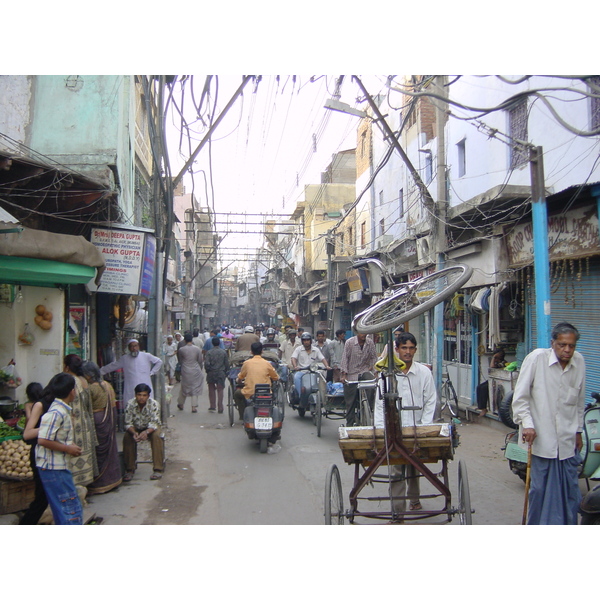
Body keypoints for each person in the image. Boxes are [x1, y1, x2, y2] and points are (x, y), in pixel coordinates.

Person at [512, 322, 585, 525]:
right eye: (562, 345)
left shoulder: (579, 362)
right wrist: (527, 424)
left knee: (570, 491)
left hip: (567, 441)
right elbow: (520, 397)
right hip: (540, 440)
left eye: (571, 345)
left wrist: (578, 430)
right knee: (539, 490)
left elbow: (579, 400)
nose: (567, 350)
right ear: (553, 343)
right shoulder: (536, 359)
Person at [374, 332, 437, 519]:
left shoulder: (424, 372)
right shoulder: (386, 375)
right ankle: (397, 510)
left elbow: (430, 400)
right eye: (404, 348)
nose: (407, 352)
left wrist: (426, 427)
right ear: (397, 350)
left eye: (411, 348)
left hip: (417, 427)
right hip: (394, 429)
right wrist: (380, 429)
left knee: (414, 465)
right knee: (396, 469)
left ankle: (414, 499)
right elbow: (379, 404)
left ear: (415, 350)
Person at [35, 372, 84, 525]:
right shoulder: (56, 412)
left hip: (57, 465)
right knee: (70, 509)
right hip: (54, 467)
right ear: (72, 391)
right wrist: (67, 449)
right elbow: (43, 439)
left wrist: (68, 447)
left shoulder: (61, 410)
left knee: (63, 508)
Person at [81, 361, 122, 495]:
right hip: (108, 419)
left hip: (97, 420)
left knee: (98, 452)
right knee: (110, 449)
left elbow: (85, 406)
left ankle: (100, 482)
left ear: (88, 375)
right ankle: (113, 479)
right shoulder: (107, 385)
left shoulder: (91, 389)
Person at [63, 354, 98, 487]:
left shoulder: (69, 381)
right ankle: (85, 485)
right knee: (84, 453)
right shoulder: (83, 380)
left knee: (75, 454)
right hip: (85, 422)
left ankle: (76, 486)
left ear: (66, 367)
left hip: (74, 424)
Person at [100, 339, 163, 409]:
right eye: (132, 346)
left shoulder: (146, 356)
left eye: (135, 346)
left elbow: (159, 362)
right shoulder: (125, 358)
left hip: (145, 385)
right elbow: (112, 366)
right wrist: (100, 371)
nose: (134, 348)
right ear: (129, 348)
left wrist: (152, 372)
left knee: (147, 407)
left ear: (138, 346)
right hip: (130, 388)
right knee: (131, 407)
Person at [20, 382, 49, 525]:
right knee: (42, 495)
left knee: (41, 495)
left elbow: (27, 428)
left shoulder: (34, 406)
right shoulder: (46, 406)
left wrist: (28, 409)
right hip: (42, 448)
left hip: (37, 447)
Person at [123, 383, 164, 481]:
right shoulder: (130, 404)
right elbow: (128, 422)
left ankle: (158, 469)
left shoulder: (154, 404)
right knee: (127, 437)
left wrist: (146, 432)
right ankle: (130, 469)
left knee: (157, 436)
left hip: (150, 427)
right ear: (135, 395)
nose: (141, 398)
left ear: (148, 396)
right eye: (139, 395)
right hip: (136, 427)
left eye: (144, 395)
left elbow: (155, 423)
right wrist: (134, 433)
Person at [339, 332, 378, 427]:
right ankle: (349, 424)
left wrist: (376, 372)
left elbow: (374, 358)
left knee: (372, 385)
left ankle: (368, 410)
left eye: (365, 332)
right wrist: (344, 375)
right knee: (350, 402)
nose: (363, 334)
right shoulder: (350, 342)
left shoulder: (370, 343)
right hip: (351, 373)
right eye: (361, 332)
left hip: (364, 371)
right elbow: (345, 359)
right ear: (356, 332)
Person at [234, 342, 279, 420]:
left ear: (251, 352)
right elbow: (275, 377)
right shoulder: (267, 364)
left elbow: (241, 376)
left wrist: (239, 380)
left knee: (237, 394)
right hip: (265, 391)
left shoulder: (247, 363)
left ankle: (242, 415)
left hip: (250, 391)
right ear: (262, 351)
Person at [290, 332, 330, 401]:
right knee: (296, 377)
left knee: (322, 379)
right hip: (302, 371)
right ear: (302, 341)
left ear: (310, 341)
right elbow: (293, 358)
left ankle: (323, 397)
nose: (306, 342)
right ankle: (300, 397)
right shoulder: (298, 349)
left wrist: (327, 366)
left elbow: (322, 358)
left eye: (308, 340)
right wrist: (295, 366)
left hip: (313, 371)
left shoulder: (316, 349)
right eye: (304, 340)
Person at [177, 332, 205, 413]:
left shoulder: (181, 349)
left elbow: (180, 360)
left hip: (185, 369)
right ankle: (193, 407)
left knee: (184, 387)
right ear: (191, 340)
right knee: (195, 388)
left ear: (185, 340)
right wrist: (200, 369)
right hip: (195, 369)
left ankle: (181, 403)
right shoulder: (197, 349)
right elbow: (200, 360)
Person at [205, 336, 230, 413]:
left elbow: (206, 363)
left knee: (211, 389)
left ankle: (212, 406)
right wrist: (226, 372)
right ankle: (220, 406)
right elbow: (227, 363)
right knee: (220, 389)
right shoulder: (223, 352)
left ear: (212, 343)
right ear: (219, 343)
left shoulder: (209, 352)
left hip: (211, 372)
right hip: (221, 372)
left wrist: (207, 370)